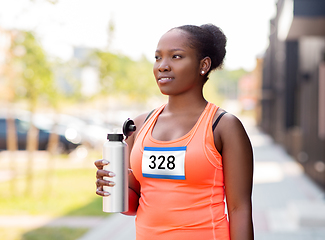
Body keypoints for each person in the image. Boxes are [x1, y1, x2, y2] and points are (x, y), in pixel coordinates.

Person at [95, 24, 254, 240]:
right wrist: (113, 185)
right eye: (158, 57)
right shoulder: (139, 125)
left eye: (176, 57)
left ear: (203, 65)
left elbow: (240, 210)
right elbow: (134, 205)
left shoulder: (224, 126)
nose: (162, 66)